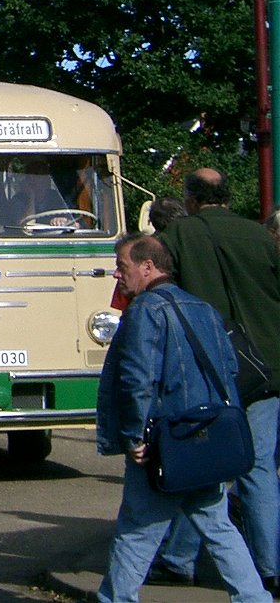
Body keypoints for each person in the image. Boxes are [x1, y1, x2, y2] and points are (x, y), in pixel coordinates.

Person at [94, 233, 267, 603]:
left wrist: (133, 436)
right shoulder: (204, 308)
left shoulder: (145, 311)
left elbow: (138, 379)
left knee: (137, 531)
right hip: (207, 440)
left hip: (164, 441)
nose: (116, 274)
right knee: (219, 528)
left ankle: (115, 600)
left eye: (122, 266)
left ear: (147, 266)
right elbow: (231, 370)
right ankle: (256, 599)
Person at [154, 169, 280, 593]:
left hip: (209, 365)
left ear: (191, 199)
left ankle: (179, 560)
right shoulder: (259, 235)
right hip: (267, 367)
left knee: (207, 467)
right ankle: (269, 567)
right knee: (258, 467)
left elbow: (159, 288)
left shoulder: (180, 235)